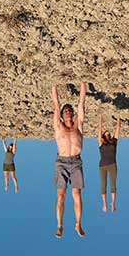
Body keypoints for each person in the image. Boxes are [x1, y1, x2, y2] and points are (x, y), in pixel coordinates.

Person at [52, 82, 86, 238]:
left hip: (76, 161)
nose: (67, 112)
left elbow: (81, 104)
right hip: (62, 162)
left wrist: (82, 85)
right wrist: (54, 87)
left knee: (76, 193)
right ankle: (59, 225)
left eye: (69, 110)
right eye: (65, 111)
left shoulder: (78, 125)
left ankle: (78, 223)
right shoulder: (59, 126)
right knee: (61, 194)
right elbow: (56, 105)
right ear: (61, 115)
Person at [97, 115, 120, 212]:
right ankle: (104, 204)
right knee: (103, 184)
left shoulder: (114, 142)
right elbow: (99, 130)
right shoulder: (101, 143)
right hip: (102, 166)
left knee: (113, 184)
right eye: (106, 134)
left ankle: (113, 203)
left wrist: (118, 119)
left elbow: (118, 129)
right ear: (103, 136)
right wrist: (100, 120)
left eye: (109, 134)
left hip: (112, 165)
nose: (108, 135)